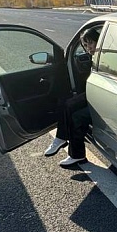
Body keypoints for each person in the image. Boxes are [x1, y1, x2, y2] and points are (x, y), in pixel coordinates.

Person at [44, 26, 100, 167]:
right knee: (70, 108)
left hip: (103, 95)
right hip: (97, 91)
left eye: (91, 43)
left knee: (71, 109)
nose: (88, 48)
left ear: (98, 40)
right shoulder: (95, 55)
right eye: (85, 45)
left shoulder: (104, 56)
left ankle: (63, 140)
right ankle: (73, 152)